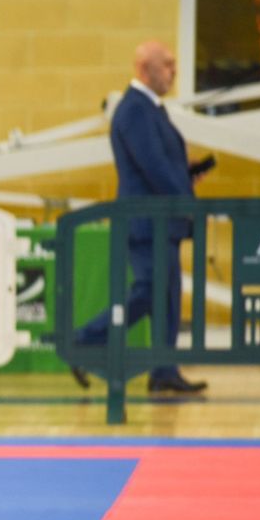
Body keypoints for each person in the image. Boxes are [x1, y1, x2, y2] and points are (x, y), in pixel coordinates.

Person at [71, 40, 209, 395]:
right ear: (146, 69)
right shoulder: (135, 110)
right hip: (147, 222)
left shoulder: (151, 109)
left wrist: (186, 174)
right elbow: (155, 168)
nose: (174, 71)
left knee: (167, 296)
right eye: (168, 64)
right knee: (150, 292)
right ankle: (84, 341)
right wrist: (184, 195)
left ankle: (164, 370)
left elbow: (161, 166)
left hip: (160, 220)